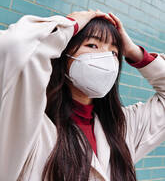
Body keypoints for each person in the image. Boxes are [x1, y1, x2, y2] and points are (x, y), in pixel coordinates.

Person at [0, 10, 165, 181]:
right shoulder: (27, 122)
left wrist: (134, 52)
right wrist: (70, 24)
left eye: (114, 52)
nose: (105, 57)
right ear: (64, 55)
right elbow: (12, 45)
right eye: (93, 45)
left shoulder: (122, 128)